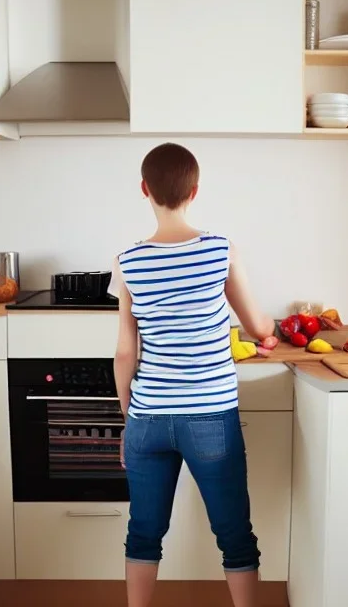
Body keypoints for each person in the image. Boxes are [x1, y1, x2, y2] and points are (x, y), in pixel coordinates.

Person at [112, 143, 275, 607]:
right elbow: (258, 324)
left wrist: (130, 418)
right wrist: (269, 334)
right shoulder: (220, 249)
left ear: (145, 190)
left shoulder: (126, 261)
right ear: (195, 191)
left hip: (148, 419)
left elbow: (126, 353)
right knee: (233, 532)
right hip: (209, 416)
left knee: (143, 531)